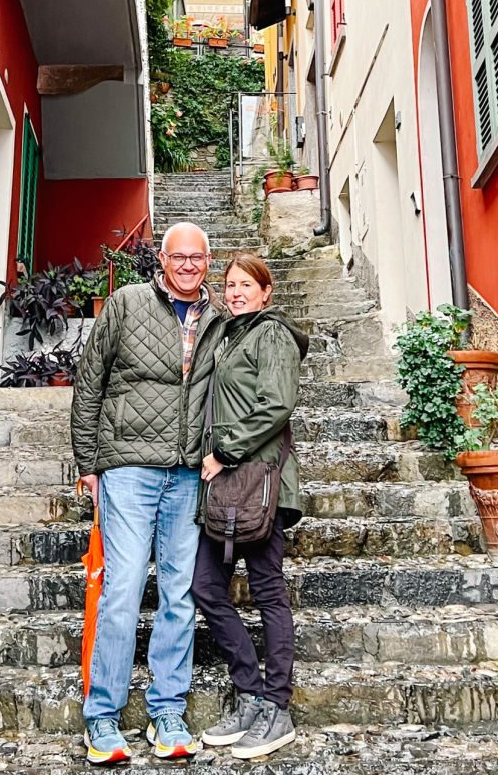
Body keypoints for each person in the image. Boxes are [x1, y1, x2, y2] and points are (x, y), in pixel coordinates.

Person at [71, 222, 224, 765]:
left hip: (189, 475)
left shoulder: (221, 321)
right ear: (161, 259)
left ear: (208, 261)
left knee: (180, 595)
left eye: (197, 257)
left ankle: (168, 712)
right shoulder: (127, 303)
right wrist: (88, 462)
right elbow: (90, 381)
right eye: (178, 256)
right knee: (124, 588)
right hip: (129, 467)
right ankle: (102, 719)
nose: (187, 265)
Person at [192, 252, 308, 760]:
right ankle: (251, 693)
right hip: (225, 489)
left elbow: (276, 404)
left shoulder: (272, 335)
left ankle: (277, 708)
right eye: (231, 284)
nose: (236, 291)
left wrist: (224, 450)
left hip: (263, 483)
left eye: (247, 285)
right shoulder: (226, 334)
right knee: (205, 587)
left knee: (267, 591)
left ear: (267, 292)